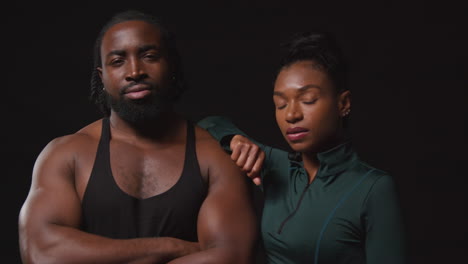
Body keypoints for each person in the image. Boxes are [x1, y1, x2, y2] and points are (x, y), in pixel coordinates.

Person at [18, 10, 258, 264]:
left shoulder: (213, 156)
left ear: (172, 65)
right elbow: (42, 254)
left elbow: (233, 257)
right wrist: (171, 247)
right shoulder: (67, 155)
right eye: (118, 61)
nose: (134, 71)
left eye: (149, 56)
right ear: (102, 78)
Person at [198, 31, 407, 263]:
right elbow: (210, 124)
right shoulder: (276, 166)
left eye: (308, 100)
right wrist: (236, 140)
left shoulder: (373, 188)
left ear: (343, 104)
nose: (291, 114)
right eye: (281, 103)